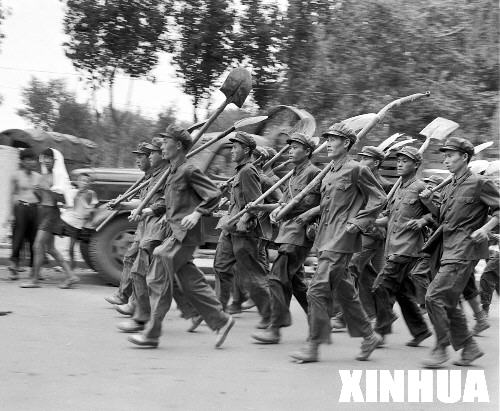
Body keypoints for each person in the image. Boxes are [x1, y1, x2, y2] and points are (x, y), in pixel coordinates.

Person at [128, 125, 234, 348]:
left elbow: (214, 194)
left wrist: (196, 214)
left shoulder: (189, 170)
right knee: (191, 281)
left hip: (184, 235)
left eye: (166, 142)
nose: (162, 147)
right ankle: (221, 321)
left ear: (178, 145)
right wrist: (159, 215)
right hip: (174, 232)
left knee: (157, 275)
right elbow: (175, 203)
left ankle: (152, 333)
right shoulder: (173, 171)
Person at [291, 122, 386, 363]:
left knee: (316, 290)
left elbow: (379, 198)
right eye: (327, 139)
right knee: (345, 292)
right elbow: (327, 206)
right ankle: (369, 336)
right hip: (325, 237)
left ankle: (313, 344)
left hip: (342, 239)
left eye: (333, 139)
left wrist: (359, 222)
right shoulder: (330, 172)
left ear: (346, 143)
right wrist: (311, 219)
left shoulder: (357, 169)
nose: (328, 143)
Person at [419, 137, 499, 368]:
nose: (446, 160)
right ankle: (469, 348)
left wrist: (485, 229)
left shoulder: (480, 183)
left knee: (434, 297)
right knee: (448, 302)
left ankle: (441, 347)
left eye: (450, 156)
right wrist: (429, 203)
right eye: (444, 156)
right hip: (446, 249)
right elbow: (441, 218)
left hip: (465, 250)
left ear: (464, 157)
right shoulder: (450, 185)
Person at [251, 132, 320, 344]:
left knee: (276, 278)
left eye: (295, 147)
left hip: (298, 235)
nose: (290, 150)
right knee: (297, 284)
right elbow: (284, 204)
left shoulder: (314, 173)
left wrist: (298, 212)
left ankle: (275, 327)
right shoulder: (293, 174)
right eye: (290, 147)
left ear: (307, 151)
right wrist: (260, 207)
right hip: (286, 233)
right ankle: (320, 324)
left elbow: (320, 203)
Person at [372, 146, 432, 347]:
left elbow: (437, 212)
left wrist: (422, 221)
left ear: (416, 165)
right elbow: (390, 218)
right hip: (393, 246)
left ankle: (381, 330)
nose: (399, 164)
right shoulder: (399, 187)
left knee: (380, 286)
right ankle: (421, 331)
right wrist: (369, 221)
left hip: (407, 248)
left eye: (405, 161)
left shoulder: (421, 187)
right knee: (402, 293)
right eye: (398, 160)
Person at [214, 132, 271, 328]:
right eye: (231, 147)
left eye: (235, 147)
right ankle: (218, 312)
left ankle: (271, 315)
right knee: (221, 267)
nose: (231, 151)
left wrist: (245, 218)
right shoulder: (240, 171)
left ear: (246, 150)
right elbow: (239, 201)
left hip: (244, 233)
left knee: (252, 276)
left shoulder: (248, 171)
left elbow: (256, 204)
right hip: (230, 229)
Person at [331, 145, 391, 330]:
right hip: (355, 231)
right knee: (366, 275)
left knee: (350, 267)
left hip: (372, 233)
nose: (361, 161)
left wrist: (374, 218)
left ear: (376, 163)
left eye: (366, 158)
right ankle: (380, 313)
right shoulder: (357, 178)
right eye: (361, 157)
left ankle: (343, 316)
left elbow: (389, 211)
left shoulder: (386, 184)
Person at [21, 148, 79, 289]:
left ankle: (34, 280)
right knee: (50, 249)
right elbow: (41, 198)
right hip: (42, 212)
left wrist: (49, 190)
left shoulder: (58, 176)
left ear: (55, 160)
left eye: (49, 158)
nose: (46, 161)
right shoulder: (44, 176)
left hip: (51, 213)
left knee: (37, 246)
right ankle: (71, 276)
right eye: (45, 158)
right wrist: (37, 192)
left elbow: (63, 199)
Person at [104, 142, 152, 307]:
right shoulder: (147, 177)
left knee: (146, 267)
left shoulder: (158, 177)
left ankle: (137, 304)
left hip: (155, 226)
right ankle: (125, 297)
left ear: (152, 157)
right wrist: (122, 205)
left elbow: (150, 204)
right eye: (136, 157)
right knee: (131, 258)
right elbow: (142, 201)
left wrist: (127, 206)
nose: (137, 160)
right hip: (144, 225)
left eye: (141, 156)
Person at [8, 148, 40, 280]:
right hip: (21, 207)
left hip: (35, 208)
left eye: (33, 160)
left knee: (34, 239)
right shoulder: (16, 176)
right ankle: (13, 266)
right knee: (18, 237)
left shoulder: (38, 177)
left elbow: (42, 196)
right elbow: (12, 195)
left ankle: (34, 269)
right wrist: (11, 214)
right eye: (28, 160)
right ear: (22, 161)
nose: (32, 162)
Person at [60, 173, 98, 270]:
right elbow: (69, 205)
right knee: (70, 247)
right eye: (82, 181)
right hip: (72, 222)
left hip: (82, 224)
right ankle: (71, 264)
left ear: (89, 184)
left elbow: (91, 209)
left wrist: (81, 197)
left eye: (87, 181)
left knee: (76, 247)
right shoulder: (74, 193)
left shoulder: (91, 194)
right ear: (78, 182)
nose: (84, 183)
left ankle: (73, 265)